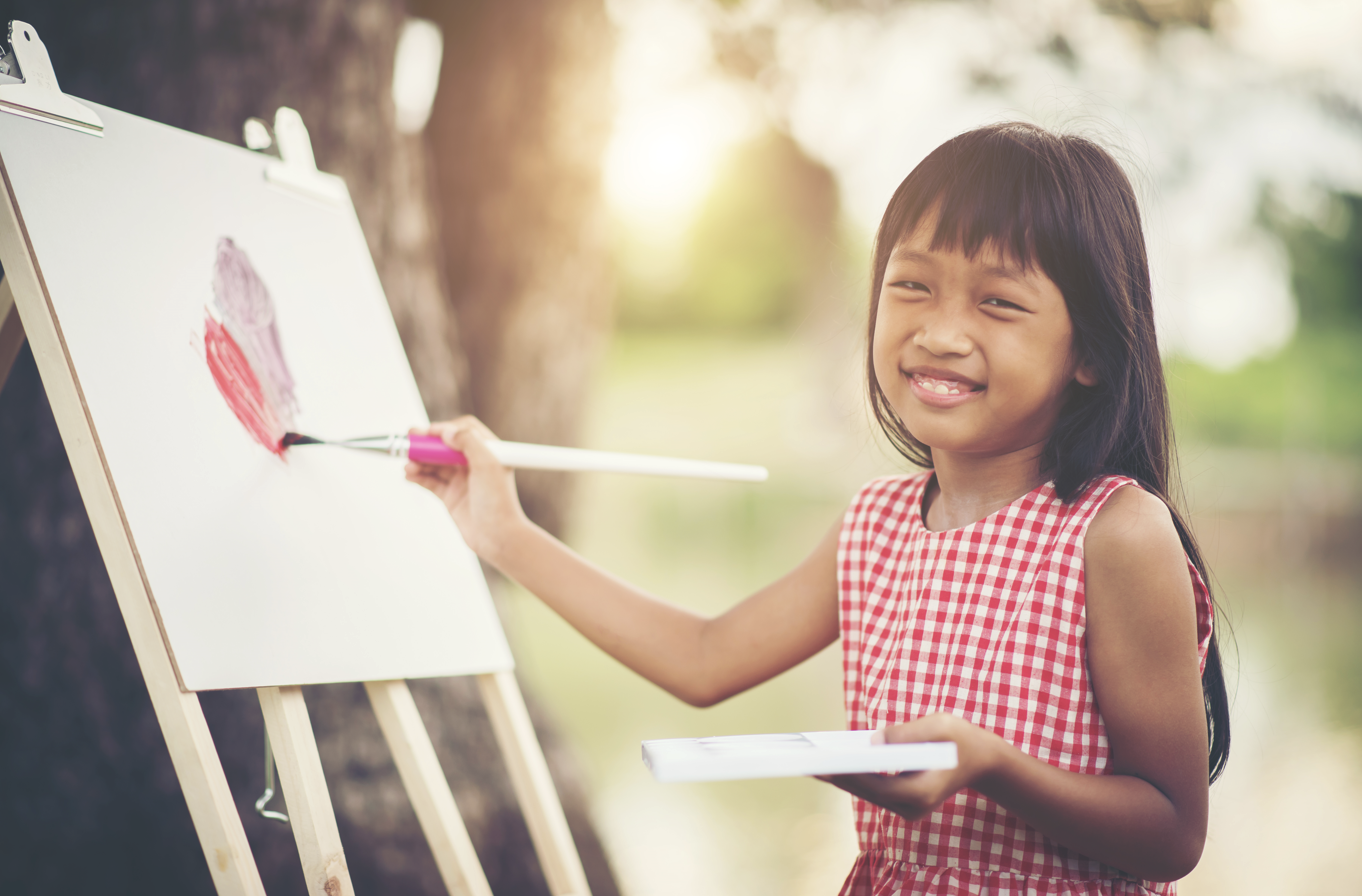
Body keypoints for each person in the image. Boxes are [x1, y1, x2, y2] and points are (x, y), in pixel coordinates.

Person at [406, 122, 1230, 895]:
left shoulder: (1115, 534)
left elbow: (1171, 833)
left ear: (1090, 349)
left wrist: (990, 765)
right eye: (912, 285)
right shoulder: (876, 525)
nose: (940, 332)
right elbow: (703, 657)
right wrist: (502, 533)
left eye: (998, 303)